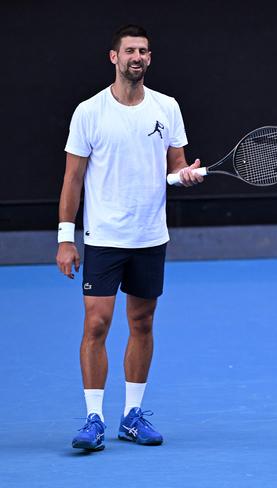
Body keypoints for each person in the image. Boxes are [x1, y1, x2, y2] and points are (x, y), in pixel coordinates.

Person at [56, 24, 203, 451]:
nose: (137, 57)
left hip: (150, 236)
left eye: (144, 51)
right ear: (114, 58)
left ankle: (132, 417)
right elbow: (72, 179)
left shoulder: (167, 107)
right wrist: (67, 238)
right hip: (103, 237)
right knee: (97, 324)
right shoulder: (89, 112)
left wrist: (185, 177)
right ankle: (94, 419)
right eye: (129, 51)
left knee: (142, 322)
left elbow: (173, 168)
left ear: (149, 59)